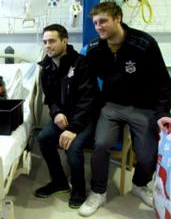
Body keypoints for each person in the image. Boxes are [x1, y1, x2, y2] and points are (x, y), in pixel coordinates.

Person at [79, 2, 171, 217]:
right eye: (95, 23)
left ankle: (140, 185)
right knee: (100, 145)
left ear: (118, 18)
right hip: (111, 106)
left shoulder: (144, 43)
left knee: (148, 156)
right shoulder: (94, 49)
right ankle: (98, 192)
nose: (99, 27)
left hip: (143, 107)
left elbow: (163, 81)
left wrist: (163, 113)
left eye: (103, 21)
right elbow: (88, 83)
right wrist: (96, 107)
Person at [34, 24, 100, 209]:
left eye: (52, 41)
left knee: (73, 149)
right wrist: (56, 113)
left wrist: (73, 129)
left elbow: (89, 100)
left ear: (65, 41)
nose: (48, 45)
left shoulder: (81, 63)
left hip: (84, 117)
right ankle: (59, 181)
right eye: (45, 42)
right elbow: (50, 97)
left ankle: (79, 190)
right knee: (44, 138)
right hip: (63, 116)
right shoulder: (46, 67)